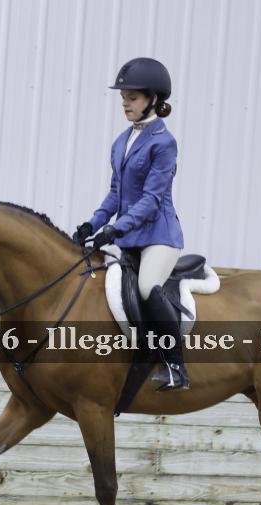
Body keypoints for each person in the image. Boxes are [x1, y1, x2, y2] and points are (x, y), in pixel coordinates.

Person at [74, 57, 189, 391]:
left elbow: (152, 199)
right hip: (128, 237)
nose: (125, 103)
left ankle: (175, 367)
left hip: (159, 237)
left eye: (133, 98)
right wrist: (93, 224)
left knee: (147, 287)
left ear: (153, 99)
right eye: (123, 97)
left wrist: (116, 228)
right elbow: (115, 194)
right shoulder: (121, 141)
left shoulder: (163, 142)